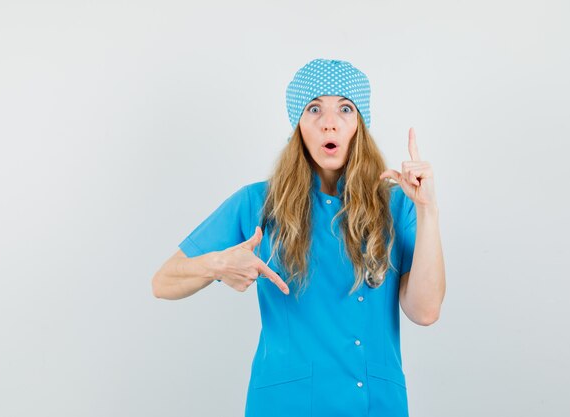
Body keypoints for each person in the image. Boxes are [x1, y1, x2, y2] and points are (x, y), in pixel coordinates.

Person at [152, 58, 446, 417]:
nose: (330, 122)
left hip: (376, 405)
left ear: (360, 125)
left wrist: (428, 211)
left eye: (345, 108)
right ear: (298, 126)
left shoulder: (398, 204)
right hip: (284, 406)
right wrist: (217, 264)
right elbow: (163, 282)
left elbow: (426, 311)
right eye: (314, 109)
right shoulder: (257, 203)